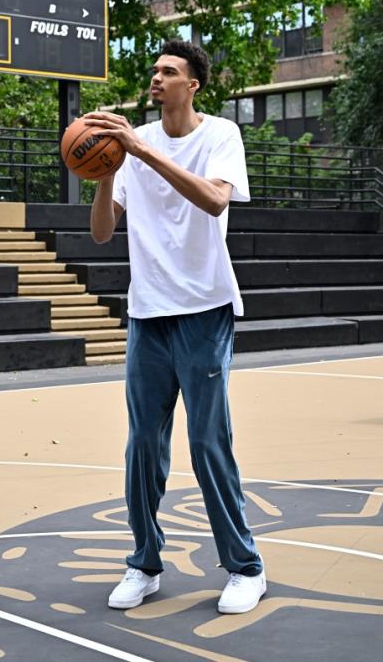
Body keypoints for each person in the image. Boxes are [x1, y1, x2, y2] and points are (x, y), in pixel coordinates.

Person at [85, 38, 265, 616]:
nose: (156, 79)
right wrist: (103, 171)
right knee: (143, 445)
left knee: (208, 442)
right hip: (148, 313)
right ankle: (143, 563)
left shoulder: (220, 136)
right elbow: (101, 233)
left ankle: (244, 567)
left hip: (205, 309)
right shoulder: (132, 143)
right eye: (154, 71)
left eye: (169, 72)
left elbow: (214, 200)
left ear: (194, 85)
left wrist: (139, 149)